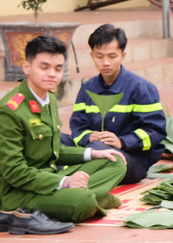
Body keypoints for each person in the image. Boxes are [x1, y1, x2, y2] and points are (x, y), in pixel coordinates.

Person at [0, 35, 128, 233]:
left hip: (47, 179)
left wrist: (92, 154)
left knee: (114, 161)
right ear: (26, 67)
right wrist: (66, 182)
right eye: (44, 67)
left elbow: (52, 150)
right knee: (82, 200)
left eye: (58, 68)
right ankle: (92, 197)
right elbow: (14, 173)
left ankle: (89, 195)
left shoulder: (48, 98)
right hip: (16, 194)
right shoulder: (8, 111)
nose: (52, 74)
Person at [68, 24, 166, 184]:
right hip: (94, 151)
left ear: (123, 55)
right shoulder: (87, 88)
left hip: (131, 160)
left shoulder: (141, 88)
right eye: (99, 57)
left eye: (112, 56)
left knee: (101, 149)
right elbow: (77, 128)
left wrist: (123, 141)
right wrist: (87, 137)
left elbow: (156, 132)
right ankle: (74, 178)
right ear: (92, 55)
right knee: (55, 141)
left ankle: (70, 181)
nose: (105, 62)